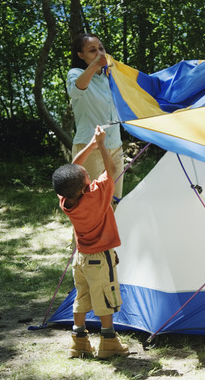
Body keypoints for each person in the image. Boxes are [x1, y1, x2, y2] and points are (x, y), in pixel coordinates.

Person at [51, 126, 130, 359]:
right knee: (105, 296)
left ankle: (79, 342)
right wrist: (102, 145)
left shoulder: (66, 200)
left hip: (81, 258)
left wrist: (91, 145)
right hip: (100, 257)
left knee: (82, 296)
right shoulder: (96, 195)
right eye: (85, 174)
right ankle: (109, 341)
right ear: (84, 184)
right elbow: (112, 169)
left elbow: (74, 166)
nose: (86, 171)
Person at [67, 33, 125, 204]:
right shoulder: (76, 73)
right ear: (80, 55)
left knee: (114, 200)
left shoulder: (111, 76)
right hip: (89, 148)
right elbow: (75, 91)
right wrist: (94, 65)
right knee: (90, 203)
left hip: (115, 147)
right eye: (92, 50)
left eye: (101, 48)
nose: (99, 53)